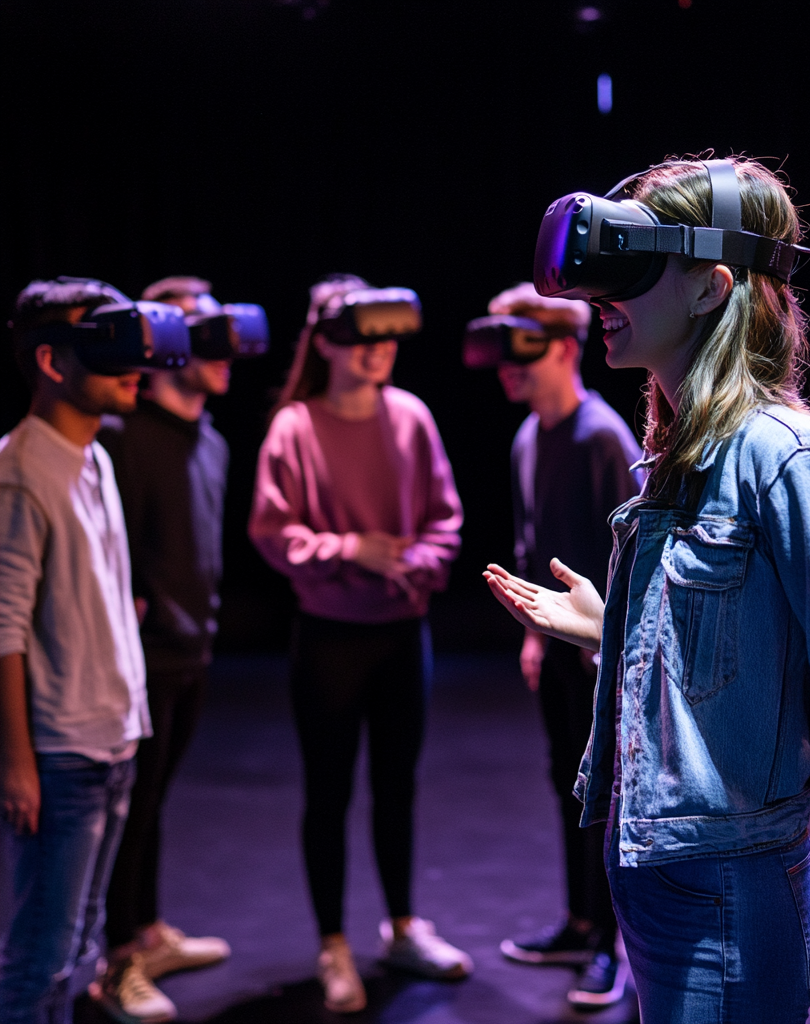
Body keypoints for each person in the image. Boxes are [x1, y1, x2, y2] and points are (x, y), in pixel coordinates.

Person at [484, 156, 810, 1023]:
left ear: (708, 287)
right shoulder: (683, 454)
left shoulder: (787, 456)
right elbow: (726, 642)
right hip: (669, 877)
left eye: (633, 264)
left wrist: (777, 775)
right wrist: (612, 625)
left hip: (728, 890)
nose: (599, 296)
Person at [248, 274, 470, 1015]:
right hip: (331, 637)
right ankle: (333, 943)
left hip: (402, 633)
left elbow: (445, 520)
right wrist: (351, 548)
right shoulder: (295, 428)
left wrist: (413, 563)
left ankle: (403, 925)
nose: (377, 353)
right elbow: (273, 532)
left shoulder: (409, 417)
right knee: (330, 790)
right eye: (361, 337)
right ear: (328, 341)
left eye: (385, 338)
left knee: (397, 785)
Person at [479, 283, 642, 1007]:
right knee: (566, 784)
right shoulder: (527, 437)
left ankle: (609, 944)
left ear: (567, 348)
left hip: (602, 652)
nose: (511, 368)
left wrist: (607, 641)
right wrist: (535, 637)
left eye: (527, 349)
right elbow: (529, 541)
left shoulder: (602, 434)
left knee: (605, 793)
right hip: (558, 651)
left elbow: (631, 546)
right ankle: (580, 923)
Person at [0, 278, 149, 1023]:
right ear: (54, 361)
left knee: (80, 942)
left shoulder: (95, 455)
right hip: (62, 757)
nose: (135, 363)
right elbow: (4, 624)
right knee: (38, 958)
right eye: (108, 343)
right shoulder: (21, 468)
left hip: (111, 738)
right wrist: (18, 760)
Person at [96, 277, 237, 1022]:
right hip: (141, 660)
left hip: (192, 654)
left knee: (152, 807)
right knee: (128, 810)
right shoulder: (125, 435)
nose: (223, 348)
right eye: (199, 329)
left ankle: (145, 932)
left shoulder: (207, 439)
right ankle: (116, 957)